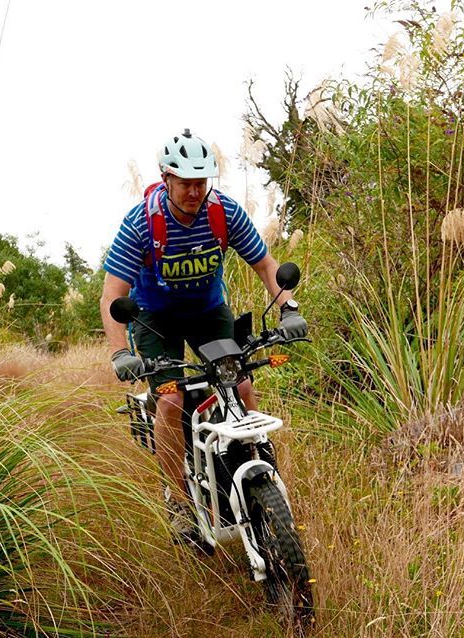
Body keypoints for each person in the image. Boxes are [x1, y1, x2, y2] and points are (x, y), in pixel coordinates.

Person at [99, 128, 307, 542]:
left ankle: (256, 478)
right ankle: (178, 502)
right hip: (156, 319)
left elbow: (266, 265)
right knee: (172, 398)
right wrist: (120, 352)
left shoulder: (224, 212)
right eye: (186, 183)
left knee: (240, 384)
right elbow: (113, 292)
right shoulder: (141, 223)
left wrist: (288, 308)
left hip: (208, 311)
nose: (195, 192)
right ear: (167, 178)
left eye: (201, 182)